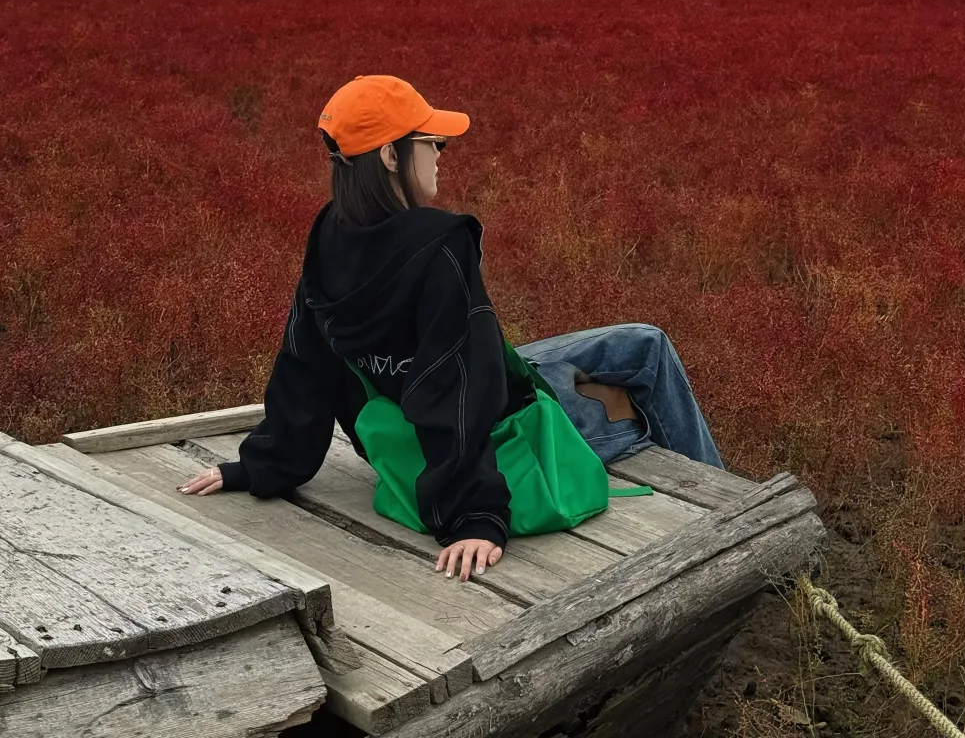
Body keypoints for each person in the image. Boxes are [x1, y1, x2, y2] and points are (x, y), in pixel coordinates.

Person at [179, 74, 724, 582]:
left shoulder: (330, 234)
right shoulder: (440, 244)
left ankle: (605, 405)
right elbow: (459, 383)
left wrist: (264, 464)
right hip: (493, 432)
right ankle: (727, 513)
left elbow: (304, 361)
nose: (441, 154)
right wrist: (476, 514)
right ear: (392, 155)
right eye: (431, 142)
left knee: (625, 346)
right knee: (645, 361)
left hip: (418, 411)